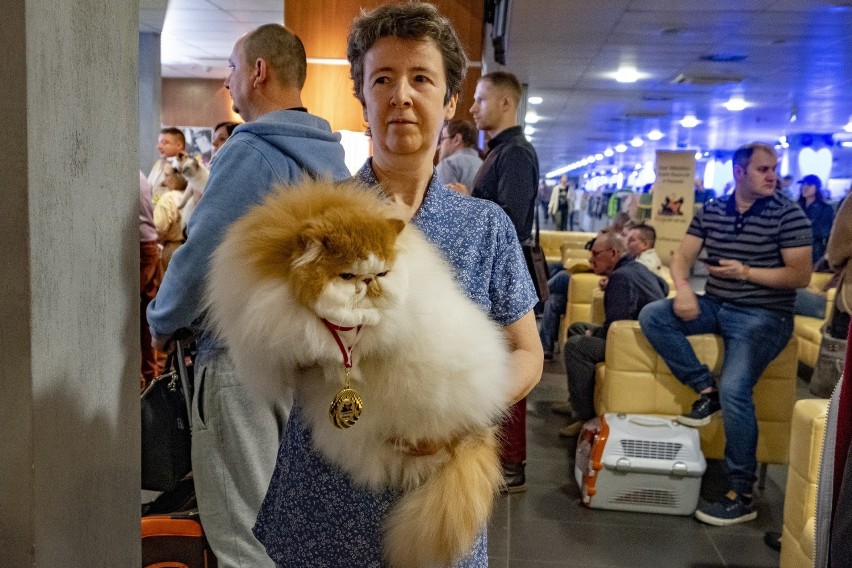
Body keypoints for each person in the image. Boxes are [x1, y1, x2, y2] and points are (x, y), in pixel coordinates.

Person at [251, 4, 542, 565]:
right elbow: (266, 347)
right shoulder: (314, 217)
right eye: (381, 79)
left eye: (421, 79)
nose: (400, 95)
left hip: (436, 503)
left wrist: (462, 414)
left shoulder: (485, 228)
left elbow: (527, 351)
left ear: (450, 101)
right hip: (324, 499)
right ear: (362, 98)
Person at [147, 23, 350, 567]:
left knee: (243, 535)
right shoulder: (332, 162)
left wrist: (160, 320)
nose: (228, 85)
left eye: (232, 70)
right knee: (291, 533)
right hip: (308, 364)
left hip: (242, 363)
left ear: (259, 72)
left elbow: (205, 253)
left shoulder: (252, 150)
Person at [638, 142, 812, 526]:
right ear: (739, 172)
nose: (774, 176)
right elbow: (680, 256)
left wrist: (746, 272)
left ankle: (741, 492)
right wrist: (682, 288)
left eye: (775, 169)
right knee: (654, 315)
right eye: (764, 169)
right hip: (717, 305)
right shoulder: (713, 210)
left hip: (765, 315)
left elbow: (800, 275)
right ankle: (704, 388)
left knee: (737, 388)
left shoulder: (789, 213)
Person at [469, 69, 540, 492]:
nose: (473, 107)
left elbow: (508, 223)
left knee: (510, 360)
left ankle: (510, 464)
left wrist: (470, 212)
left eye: (480, 99)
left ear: (505, 103)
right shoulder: (499, 153)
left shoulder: (514, 154)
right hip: (499, 276)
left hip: (504, 279)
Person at [559, 232, 669, 437]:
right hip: (638, 334)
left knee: (576, 346)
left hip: (635, 344)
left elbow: (614, 327)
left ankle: (584, 417)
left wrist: (596, 332)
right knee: (577, 328)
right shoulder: (635, 268)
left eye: (595, 254)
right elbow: (663, 286)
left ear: (613, 253)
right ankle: (575, 401)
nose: (591, 260)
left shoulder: (621, 277)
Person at [139, 172, 160, 390]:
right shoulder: (141, 176)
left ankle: (148, 379)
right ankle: (151, 378)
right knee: (146, 315)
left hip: (141, 245)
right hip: (149, 243)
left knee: (140, 317)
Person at [435, 118, 482, 194]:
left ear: (457, 139)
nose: (438, 147)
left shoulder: (449, 164)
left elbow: (435, 203)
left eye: (442, 139)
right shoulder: (484, 164)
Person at [797, 174, 835, 264]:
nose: (804, 187)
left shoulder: (825, 208)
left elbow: (825, 232)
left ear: (816, 188)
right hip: (795, 251)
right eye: (803, 185)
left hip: (816, 252)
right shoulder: (796, 207)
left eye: (809, 185)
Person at [147, 127, 186, 199]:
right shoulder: (158, 163)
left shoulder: (186, 167)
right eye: (159, 142)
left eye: (164, 142)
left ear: (178, 145)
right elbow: (148, 189)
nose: (158, 146)